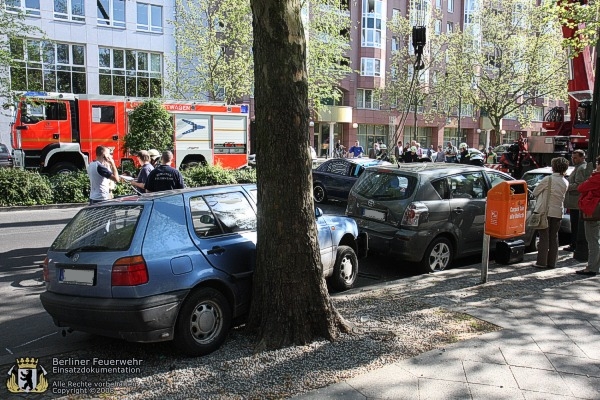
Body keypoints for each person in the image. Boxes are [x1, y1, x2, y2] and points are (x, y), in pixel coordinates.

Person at [532, 157, 569, 269]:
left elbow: (535, 191)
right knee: (554, 237)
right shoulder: (565, 181)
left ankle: (541, 262)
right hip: (558, 212)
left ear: (554, 167)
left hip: (546, 211)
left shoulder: (548, 179)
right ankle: (552, 262)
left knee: (544, 237)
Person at [575, 155, 600, 276]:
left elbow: (581, 187)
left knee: (592, 240)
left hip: (594, 210)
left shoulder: (597, 178)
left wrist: (593, 175)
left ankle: (592, 267)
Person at [563, 149, 587, 252]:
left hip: (576, 202)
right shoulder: (578, 167)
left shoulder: (581, 168)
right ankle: (574, 244)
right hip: (573, 202)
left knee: (576, 224)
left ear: (582, 157)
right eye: (572, 157)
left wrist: (566, 185)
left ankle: (575, 244)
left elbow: (579, 185)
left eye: (576, 157)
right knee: (574, 224)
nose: (573, 159)